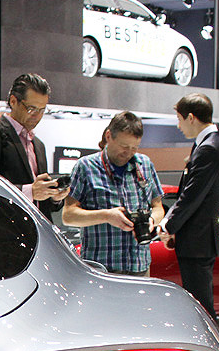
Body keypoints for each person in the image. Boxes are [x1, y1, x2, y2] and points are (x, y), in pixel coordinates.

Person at [62, 111, 164, 276]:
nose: (128, 152)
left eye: (134, 147)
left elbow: (158, 207)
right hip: (102, 270)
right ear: (109, 136)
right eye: (124, 146)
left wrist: (152, 220)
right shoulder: (85, 167)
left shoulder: (144, 164)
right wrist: (107, 216)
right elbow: (68, 216)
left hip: (140, 266)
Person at [159, 93, 219, 316]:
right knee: (198, 304)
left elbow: (191, 196)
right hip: (197, 240)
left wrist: (168, 225)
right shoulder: (208, 145)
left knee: (201, 308)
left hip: (198, 241)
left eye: (179, 120)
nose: (178, 126)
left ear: (191, 118)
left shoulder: (209, 149)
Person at [0, 72, 68, 220]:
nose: (37, 116)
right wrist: (29, 192)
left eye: (42, 110)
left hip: (35, 229)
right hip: (3, 227)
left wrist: (54, 197)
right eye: (31, 109)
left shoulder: (38, 145)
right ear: (13, 101)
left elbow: (43, 204)